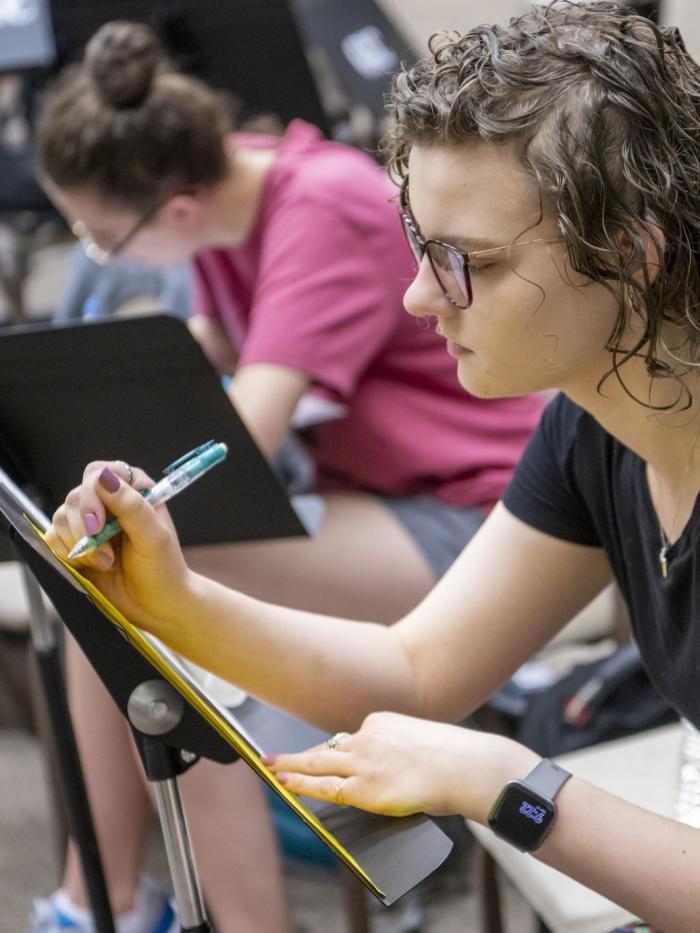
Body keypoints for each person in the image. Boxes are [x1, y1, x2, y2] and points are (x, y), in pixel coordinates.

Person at [45, 2, 700, 929]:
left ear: (631, 254)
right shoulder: (593, 430)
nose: (419, 294)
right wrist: (170, 601)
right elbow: (418, 667)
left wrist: (507, 779)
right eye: (419, 245)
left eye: (464, 260)